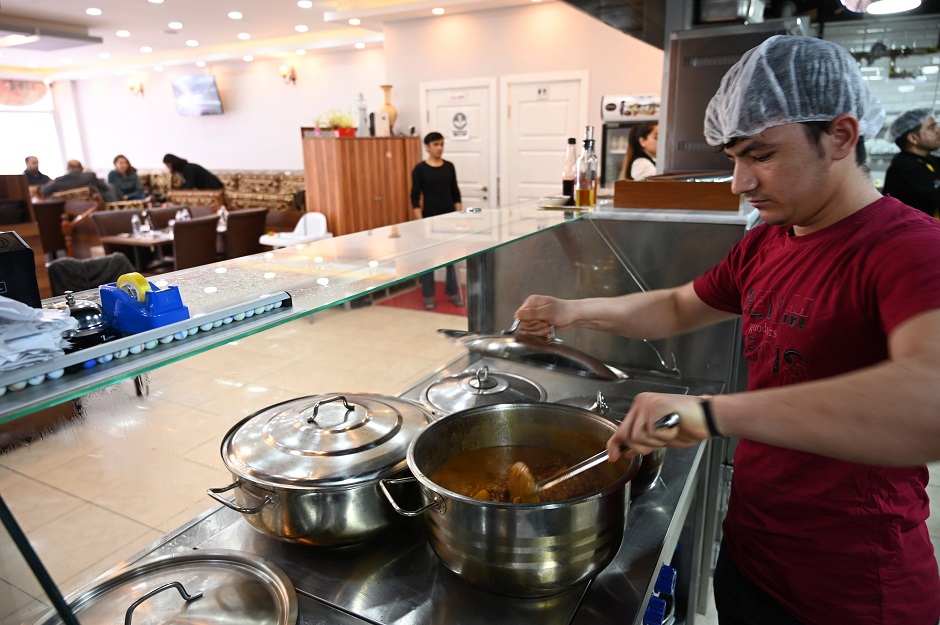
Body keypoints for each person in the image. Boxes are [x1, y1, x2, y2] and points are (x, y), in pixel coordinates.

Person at [515, 35, 940, 625]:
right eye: (734, 157)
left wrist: (710, 414)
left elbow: (929, 407)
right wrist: (572, 309)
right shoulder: (770, 240)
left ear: (841, 136)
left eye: (761, 155)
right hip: (752, 555)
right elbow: (677, 307)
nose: (740, 182)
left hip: (855, 588)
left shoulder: (909, 248)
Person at [411, 131, 463, 310]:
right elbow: (414, 196)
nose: (440, 148)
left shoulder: (449, 166)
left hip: (449, 219)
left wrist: (458, 216)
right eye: (436, 144)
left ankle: (453, 292)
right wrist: (420, 221)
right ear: (427, 147)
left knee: (451, 258)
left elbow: (456, 193)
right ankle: (428, 295)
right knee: (430, 259)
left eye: (442, 144)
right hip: (429, 221)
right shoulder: (420, 169)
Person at [882, 108, 940, 218]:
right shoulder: (904, 167)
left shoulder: (930, 160)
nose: (938, 130)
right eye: (931, 127)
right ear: (913, 138)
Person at [40, 159, 119, 201]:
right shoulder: (90, 176)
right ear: (82, 168)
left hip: (70, 210)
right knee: (111, 187)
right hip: (95, 208)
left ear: (68, 168)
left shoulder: (60, 180)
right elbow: (104, 188)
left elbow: (43, 191)